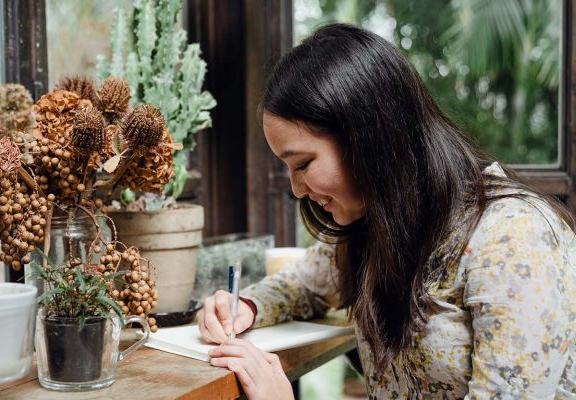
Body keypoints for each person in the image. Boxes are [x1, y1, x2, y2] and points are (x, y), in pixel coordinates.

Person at [198, 23, 576, 399]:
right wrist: (244, 306)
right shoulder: (379, 224)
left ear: (368, 139)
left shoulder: (514, 240)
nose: (296, 189)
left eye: (303, 163)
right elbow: (303, 284)